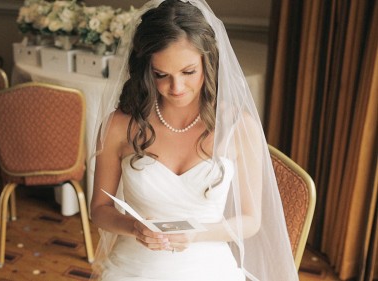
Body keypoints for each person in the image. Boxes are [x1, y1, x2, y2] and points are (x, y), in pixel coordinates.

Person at [89, 0, 299, 280]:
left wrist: (198, 235)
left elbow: (250, 220)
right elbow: (100, 210)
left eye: (188, 72)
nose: (176, 88)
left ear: (208, 61)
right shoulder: (119, 126)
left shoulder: (238, 127)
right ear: (145, 71)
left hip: (209, 264)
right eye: (161, 75)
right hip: (134, 266)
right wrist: (134, 227)